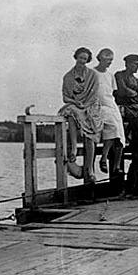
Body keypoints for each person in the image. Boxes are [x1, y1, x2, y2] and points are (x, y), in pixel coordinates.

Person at [58, 47, 102, 182]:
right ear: (76, 57)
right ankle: (74, 147)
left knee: (90, 133)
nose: (82, 61)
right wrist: (75, 102)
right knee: (71, 112)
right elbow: (65, 97)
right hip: (75, 105)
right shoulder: (68, 76)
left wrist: (86, 105)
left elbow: (95, 94)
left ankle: (90, 169)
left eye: (85, 59)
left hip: (90, 105)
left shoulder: (93, 75)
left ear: (88, 60)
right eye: (80, 58)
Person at [92, 48, 125, 174]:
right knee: (108, 128)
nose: (110, 62)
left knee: (118, 132)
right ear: (100, 58)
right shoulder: (92, 73)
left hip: (110, 105)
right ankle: (98, 163)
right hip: (96, 105)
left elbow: (112, 93)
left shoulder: (110, 75)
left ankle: (111, 163)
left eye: (111, 60)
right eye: (107, 59)